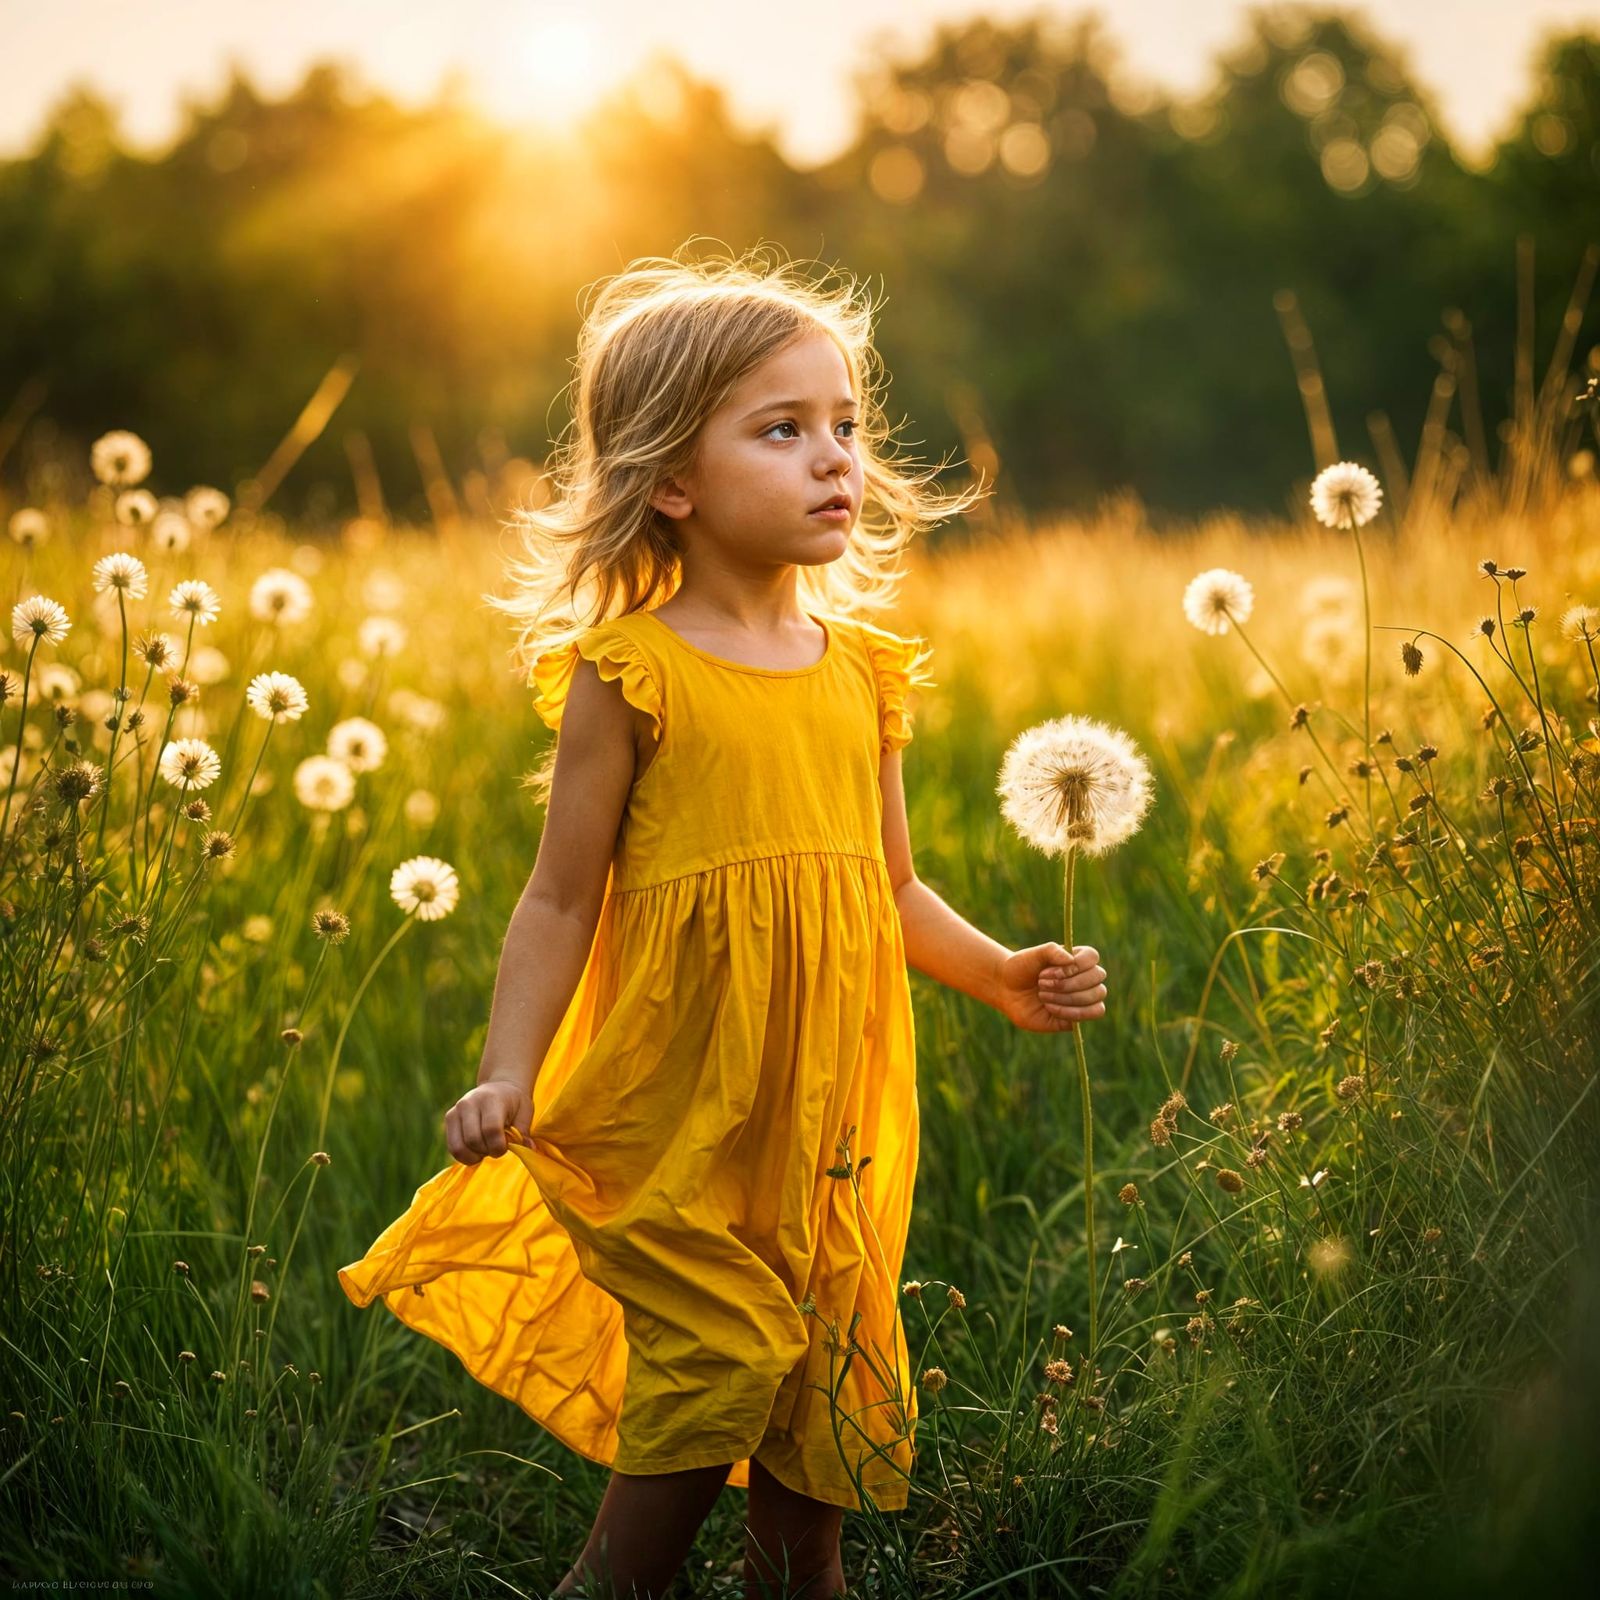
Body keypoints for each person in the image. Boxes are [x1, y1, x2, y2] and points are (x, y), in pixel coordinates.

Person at [338, 245, 1111, 1599]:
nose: (835, 461)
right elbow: (558, 893)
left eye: (847, 428)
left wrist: (1000, 974)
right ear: (673, 480)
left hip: (822, 1128)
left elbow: (890, 891)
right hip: (676, 1109)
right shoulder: (630, 674)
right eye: (783, 429)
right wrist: (508, 1070)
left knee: (818, 1427)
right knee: (729, 1351)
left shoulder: (863, 673)